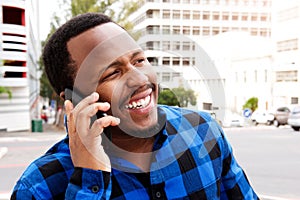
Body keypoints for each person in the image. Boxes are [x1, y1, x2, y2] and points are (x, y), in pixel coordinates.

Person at [11, 13, 259, 199]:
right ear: (73, 100)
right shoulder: (39, 186)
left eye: (139, 60)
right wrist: (90, 179)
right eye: (112, 73)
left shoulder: (203, 131)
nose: (140, 80)